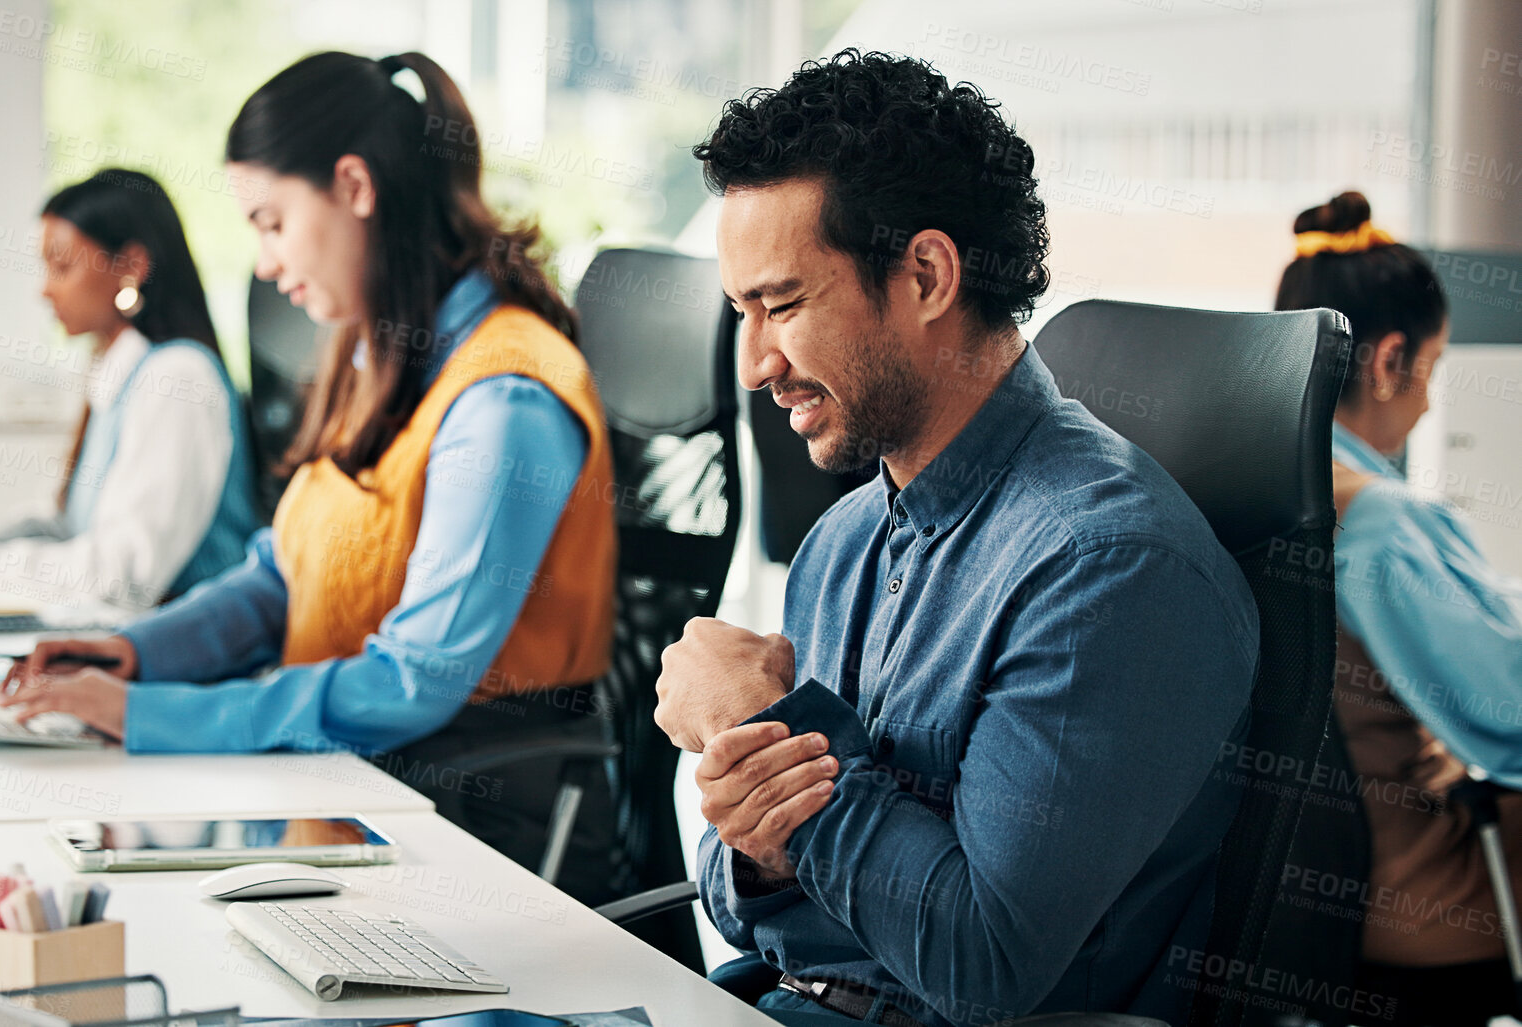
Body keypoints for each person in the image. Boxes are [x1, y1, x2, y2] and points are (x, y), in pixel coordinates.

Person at [649, 50, 1260, 1025]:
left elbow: (982, 962)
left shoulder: (1104, 568)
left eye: (786, 303)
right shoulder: (842, 543)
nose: (757, 363)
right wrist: (769, 827)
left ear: (927, 274)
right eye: (741, 313)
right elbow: (745, 904)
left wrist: (760, 740)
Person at [0, 52, 622, 900]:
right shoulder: (381, 357)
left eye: (271, 220)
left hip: (468, 827)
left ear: (354, 187)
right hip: (351, 790)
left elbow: (414, 679)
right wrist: (133, 658)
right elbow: (280, 577)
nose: (262, 261)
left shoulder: (504, 395)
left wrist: (152, 717)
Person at [1276, 190, 1522, 1027]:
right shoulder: (1377, 520)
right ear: (1388, 361)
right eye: (1433, 366)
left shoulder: (1259, 488)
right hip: (1424, 900)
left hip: (1291, 905)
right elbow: (1509, 717)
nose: (1424, 401)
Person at [0, 168, 262, 611]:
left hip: (189, 656)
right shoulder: (118, 371)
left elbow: (119, 577)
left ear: (130, 266)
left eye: (62, 266)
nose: (45, 290)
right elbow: (67, 525)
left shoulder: (179, 380)